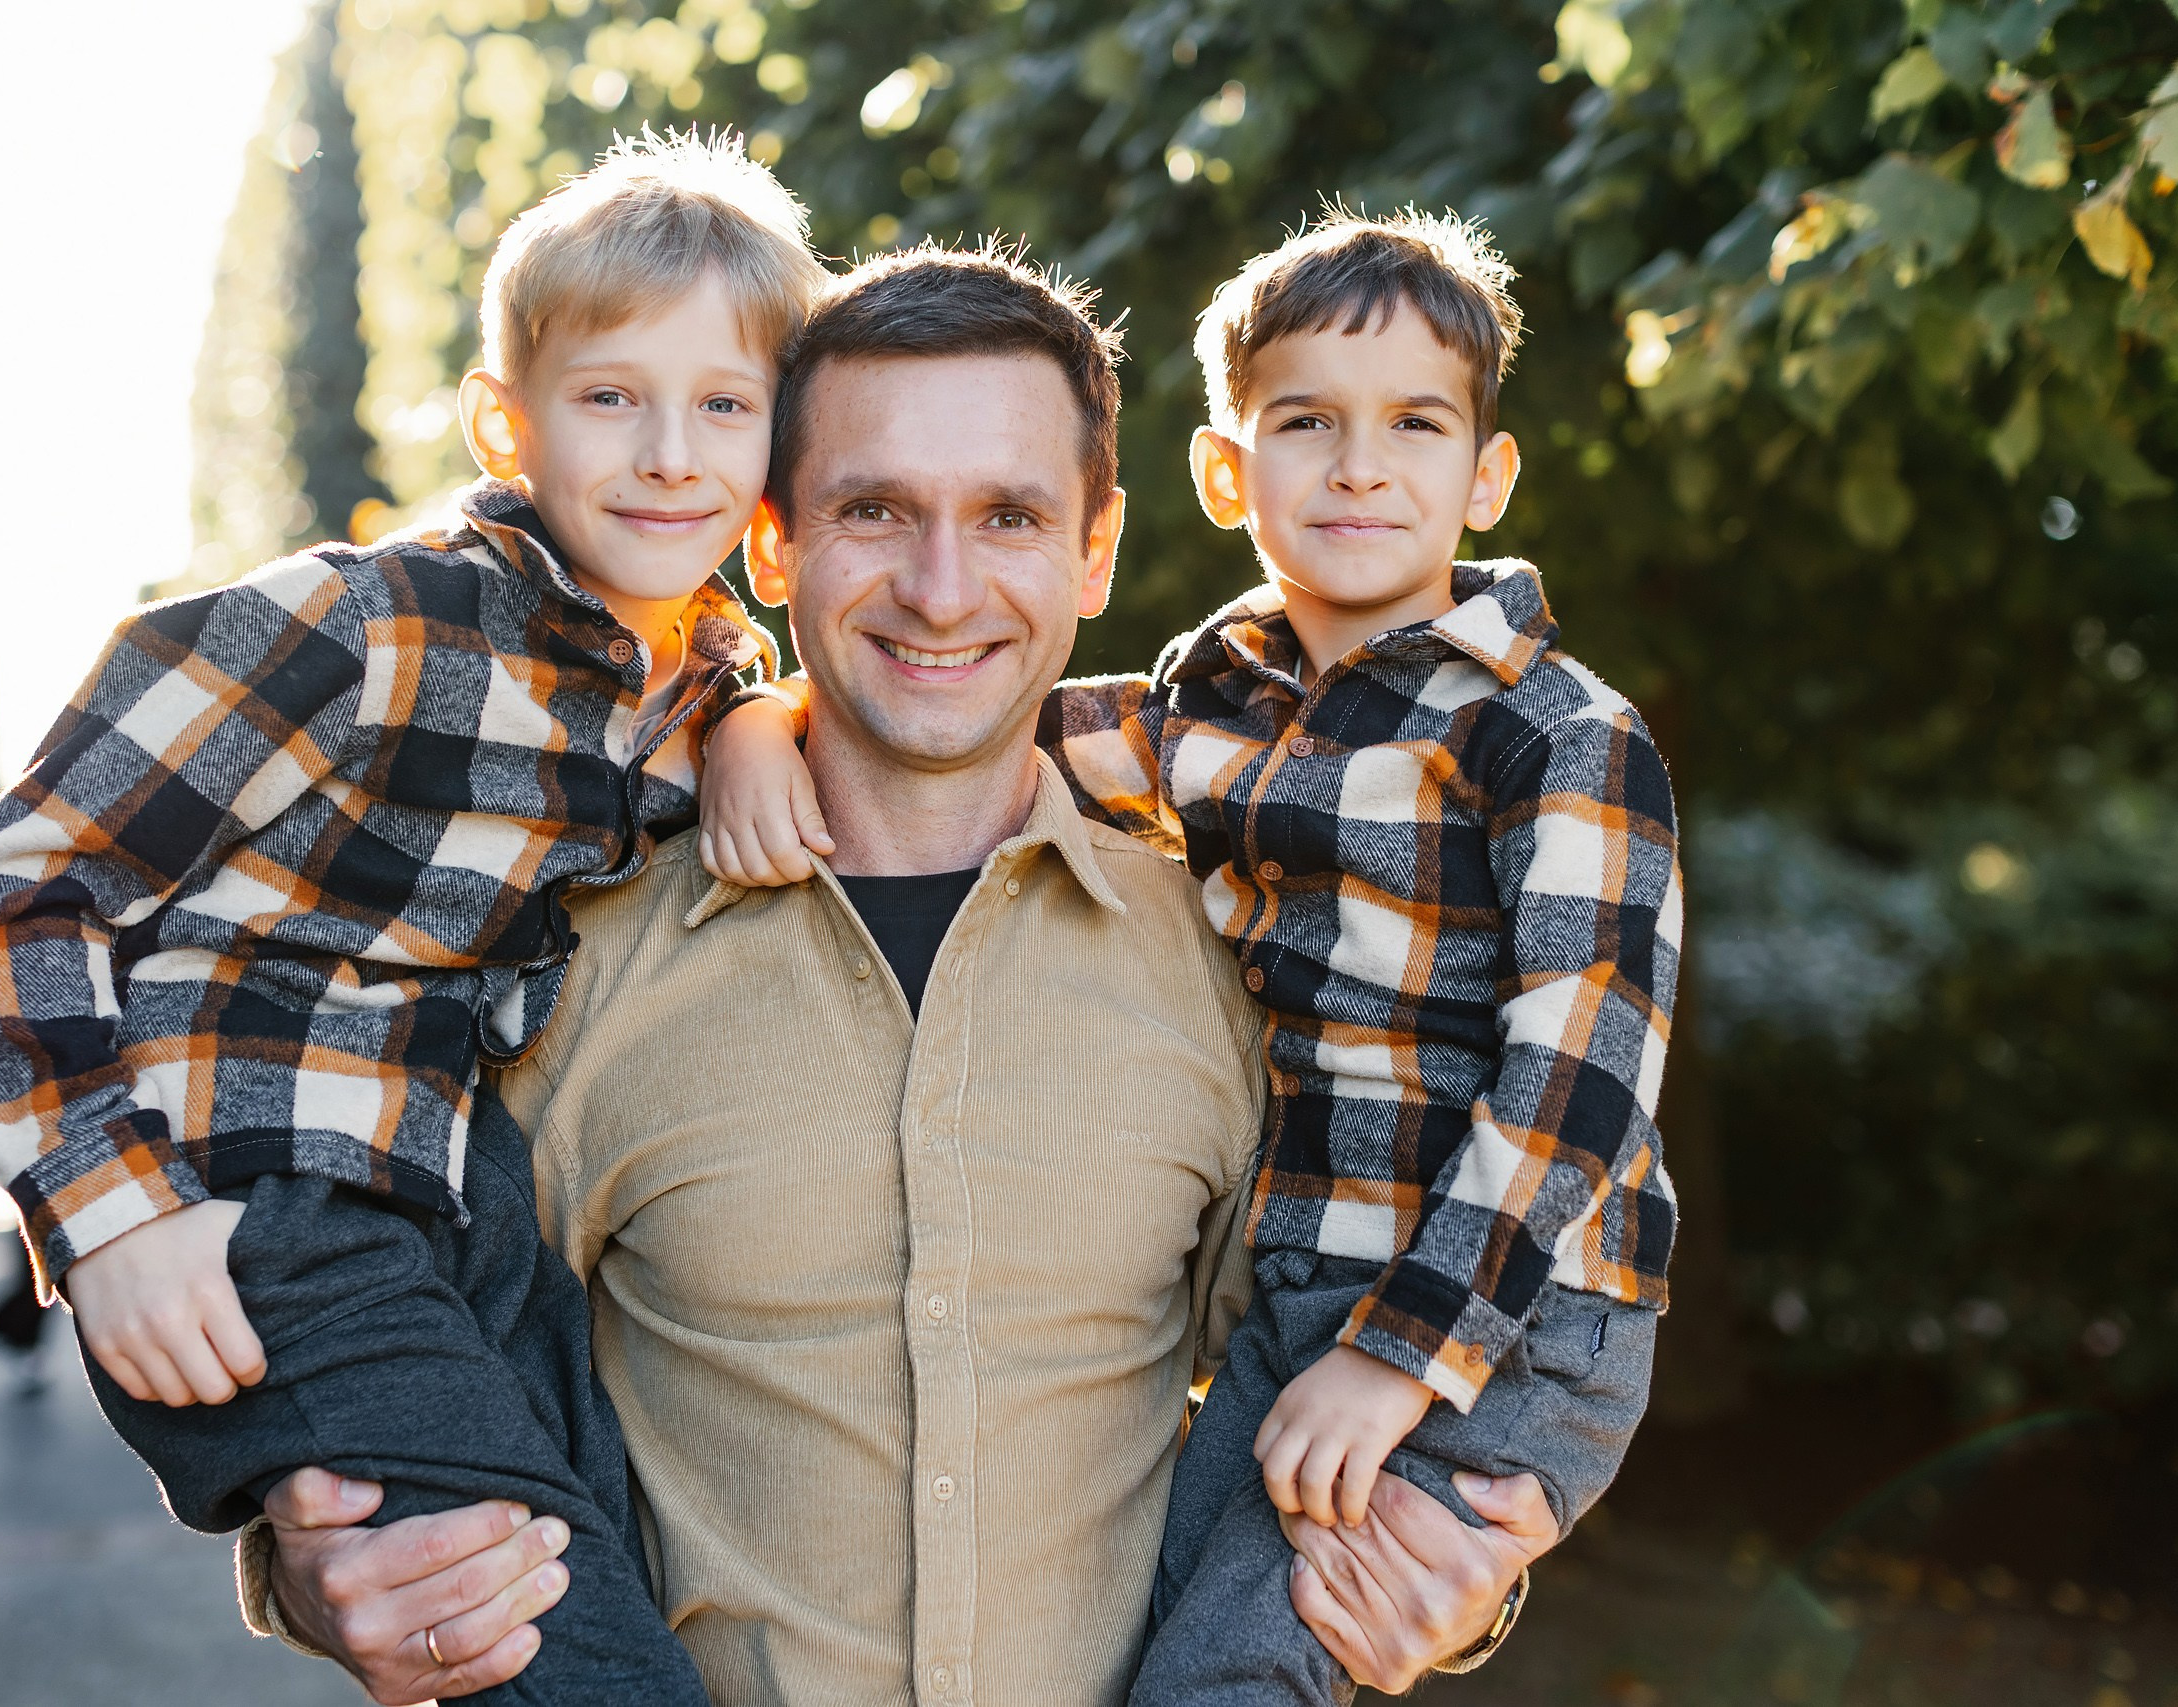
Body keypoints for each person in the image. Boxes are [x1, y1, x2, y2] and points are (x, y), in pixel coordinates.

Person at [236, 243, 1561, 1707]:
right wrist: (314, 1564)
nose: (943, 590)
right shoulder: (565, 957)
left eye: (1009, 515)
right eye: (874, 510)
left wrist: (1449, 1577)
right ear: (773, 544)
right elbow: (411, 1349)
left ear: (1096, 552)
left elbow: (1338, 1371)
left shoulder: (1240, 961)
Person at [703, 211, 1683, 1703]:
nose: (1359, 467)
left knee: (1228, 1674)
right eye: (1307, 423)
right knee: (1148, 1623)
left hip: (1503, 1310)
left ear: (1486, 478)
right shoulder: (1215, 712)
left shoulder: (1554, 732)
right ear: (1227, 474)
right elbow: (969, 704)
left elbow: (1580, 1087)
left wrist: (1409, 1355)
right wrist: (751, 715)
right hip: (1314, 1290)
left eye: (1415, 424)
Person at [0, 132, 828, 1703]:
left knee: (623, 1554)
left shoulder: (676, 686)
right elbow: (18, 883)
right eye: (611, 396)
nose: (673, 452)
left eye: (726, 406)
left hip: (461, 1204)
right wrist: (108, 1215)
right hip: (259, 1207)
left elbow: (717, 680)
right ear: (507, 419)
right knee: (558, 1639)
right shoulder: (359, 630)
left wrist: (753, 715)